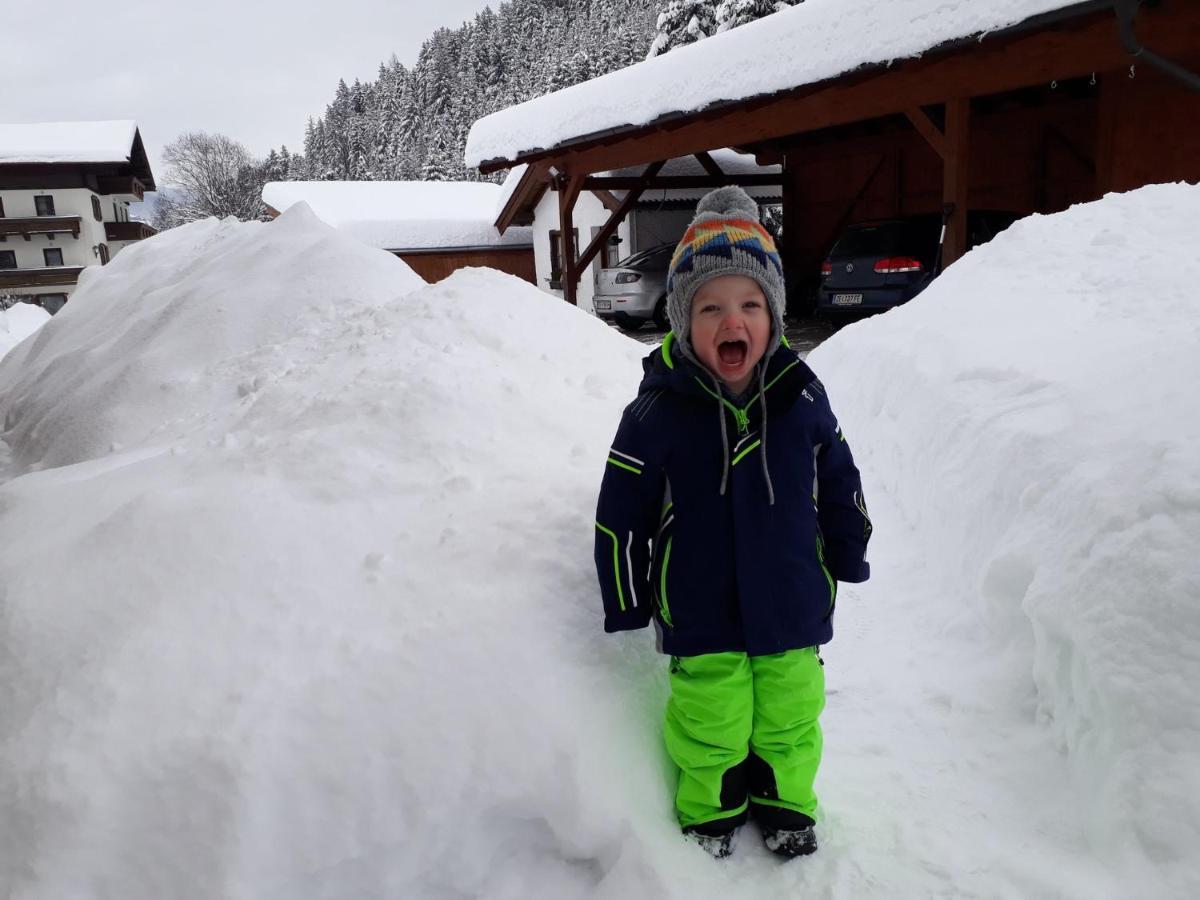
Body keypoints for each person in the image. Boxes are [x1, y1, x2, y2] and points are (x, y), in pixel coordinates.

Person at [593, 186, 873, 860]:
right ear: (683, 322)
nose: (732, 320)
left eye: (750, 304)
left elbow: (838, 475)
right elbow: (620, 512)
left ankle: (785, 801)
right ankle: (712, 808)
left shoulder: (801, 394)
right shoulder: (657, 411)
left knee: (790, 711)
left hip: (791, 596)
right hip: (700, 604)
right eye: (710, 307)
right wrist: (626, 599)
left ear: (773, 317)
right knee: (710, 716)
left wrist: (848, 546)